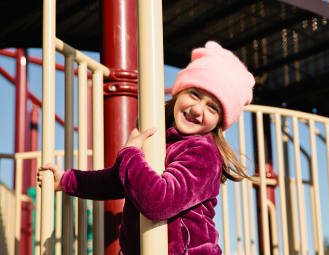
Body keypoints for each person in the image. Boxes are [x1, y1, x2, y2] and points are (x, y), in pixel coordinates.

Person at [37, 41, 255, 255]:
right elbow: (118, 181)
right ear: (179, 93)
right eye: (195, 94)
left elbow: (159, 203)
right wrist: (67, 180)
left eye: (212, 108)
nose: (198, 110)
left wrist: (131, 154)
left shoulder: (203, 153)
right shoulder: (162, 138)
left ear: (219, 122)